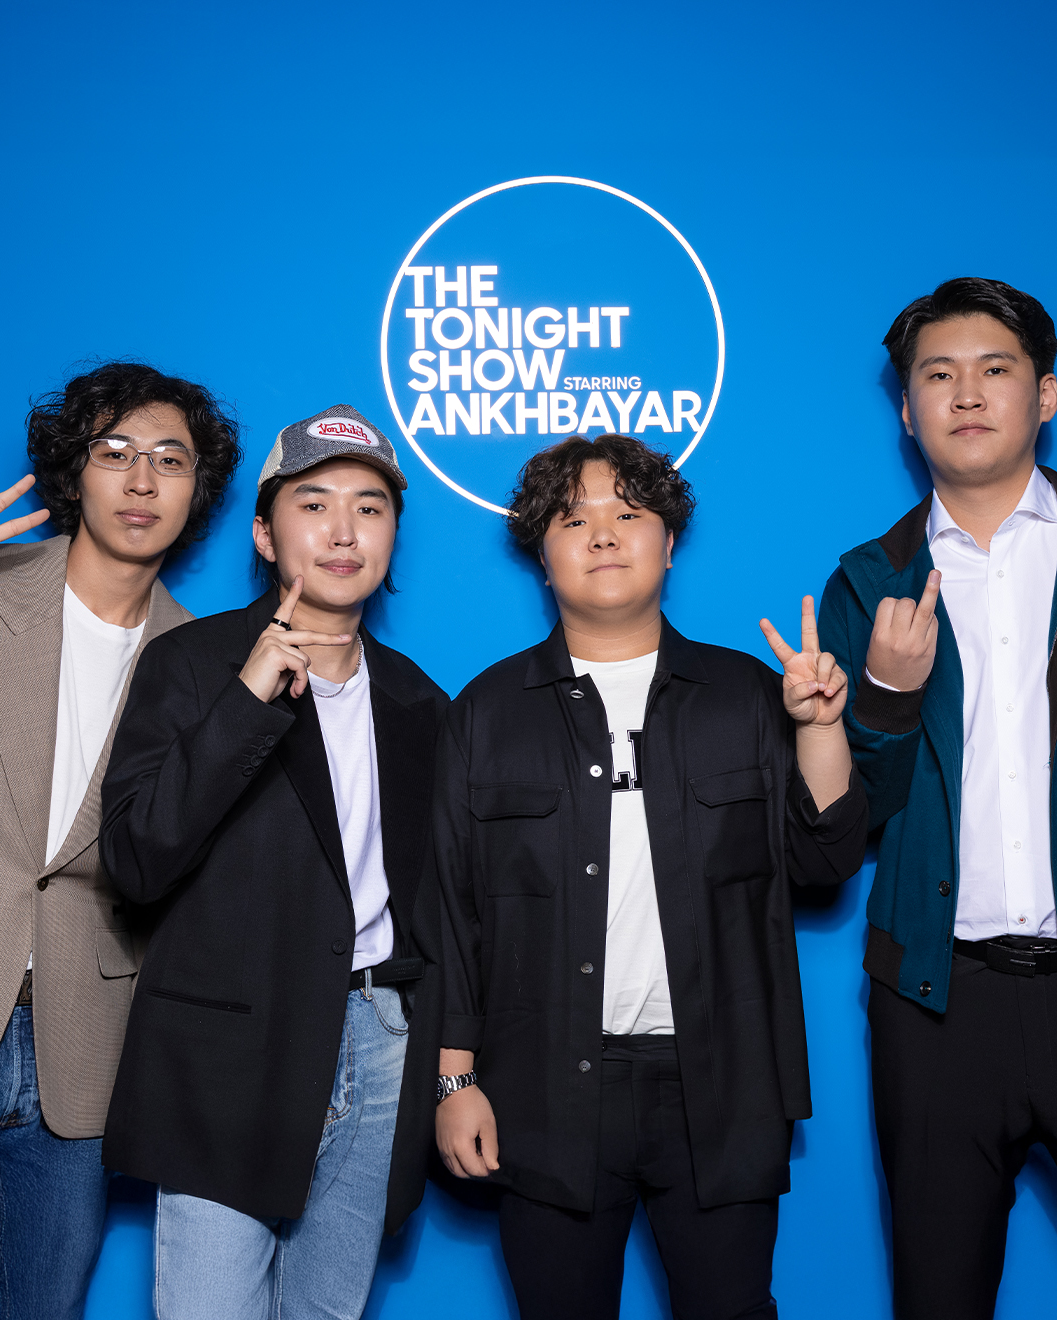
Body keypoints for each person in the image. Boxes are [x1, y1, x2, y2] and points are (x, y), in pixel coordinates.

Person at [434, 433, 868, 1320]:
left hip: (722, 1083)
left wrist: (821, 727)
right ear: (542, 556)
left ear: (668, 543)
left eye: (628, 514)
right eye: (573, 519)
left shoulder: (751, 695)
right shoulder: (486, 712)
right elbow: (451, 911)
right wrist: (454, 1082)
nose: (602, 534)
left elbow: (825, 863)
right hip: (542, 1087)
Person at [99, 406, 447, 1320]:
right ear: (264, 533)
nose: (343, 532)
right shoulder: (191, 663)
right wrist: (248, 699)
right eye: (314, 504)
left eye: (369, 508)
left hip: (379, 1038)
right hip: (233, 1049)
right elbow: (135, 862)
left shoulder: (421, 702)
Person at [0, 361, 241, 1320]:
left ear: (197, 490)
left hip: (85, 1035)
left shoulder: (210, 665)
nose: (141, 480)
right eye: (115, 452)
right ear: (72, 471)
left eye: (170, 459)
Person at [819, 277, 1057, 1320]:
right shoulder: (869, 579)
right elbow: (842, 827)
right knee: (939, 1294)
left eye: (994, 369)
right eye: (937, 375)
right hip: (936, 998)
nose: (966, 394)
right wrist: (884, 694)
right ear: (909, 411)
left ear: (1045, 395)